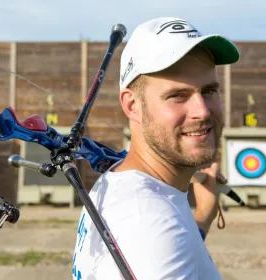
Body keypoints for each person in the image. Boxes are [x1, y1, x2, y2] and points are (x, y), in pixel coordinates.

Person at [72, 17, 240, 280]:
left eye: (208, 90)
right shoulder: (150, 222)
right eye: (177, 96)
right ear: (132, 106)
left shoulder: (124, 186)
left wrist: (204, 213)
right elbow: (159, 237)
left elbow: (173, 245)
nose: (202, 111)